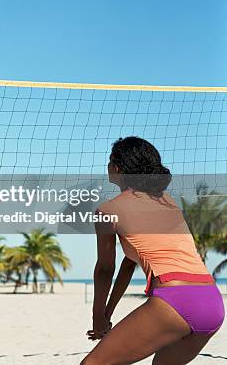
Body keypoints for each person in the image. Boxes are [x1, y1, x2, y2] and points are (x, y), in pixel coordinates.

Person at [83, 136, 224, 365]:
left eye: (110, 160)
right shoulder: (167, 202)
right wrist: (108, 314)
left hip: (176, 299)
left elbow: (105, 269)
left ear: (117, 167)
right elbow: (128, 264)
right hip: (211, 301)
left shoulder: (107, 209)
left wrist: (98, 319)